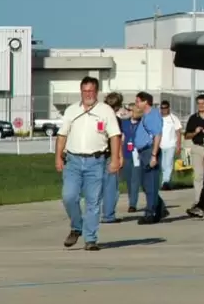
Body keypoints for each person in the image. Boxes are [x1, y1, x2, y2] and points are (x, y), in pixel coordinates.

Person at [55, 76, 122, 250]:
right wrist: (57, 157)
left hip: (96, 161)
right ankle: (77, 227)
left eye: (91, 91)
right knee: (69, 196)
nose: (88, 94)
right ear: (81, 92)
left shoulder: (105, 110)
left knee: (93, 201)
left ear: (97, 92)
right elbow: (62, 135)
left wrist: (115, 158)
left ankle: (90, 239)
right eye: (85, 91)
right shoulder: (71, 110)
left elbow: (115, 135)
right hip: (73, 161)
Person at [133, 91, 169, 225]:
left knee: (151, 184)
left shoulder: (153, 115)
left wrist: (154, 155)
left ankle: (151, 213)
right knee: (146, 183)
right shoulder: (145, 115)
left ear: (145, 102)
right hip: (143, 152)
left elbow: (157, 135)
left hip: (149, 151)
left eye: (138, 101)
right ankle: (160, 208)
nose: (136, 104)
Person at [183, 95, 204, 209]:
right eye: (199, 103)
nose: (201, 105)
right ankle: (199, 201)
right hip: (197, 148)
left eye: (203, 103)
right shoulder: (193, 118)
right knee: (198, 175)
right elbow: (187, 135)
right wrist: (195, 132)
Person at [100, 92, 125, 224]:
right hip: (110, 154)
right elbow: (117, 139)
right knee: (111, 186)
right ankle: (108, 214)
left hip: (94, 154)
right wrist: (120, 156)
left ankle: (92, 213)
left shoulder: (96, 116)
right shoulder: (116, 120)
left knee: (94, 185)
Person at [158, 99, 181, 189]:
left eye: (165, 108)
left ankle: (166, 182)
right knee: (163, 164)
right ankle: (164, 181)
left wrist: (178, 145)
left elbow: (178, 132)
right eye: (162, 108)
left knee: (169, 163)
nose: (164, 110)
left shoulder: (173, 118)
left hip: (171, 144)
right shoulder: (158, 118)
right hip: (160, 145)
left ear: (168, 108)